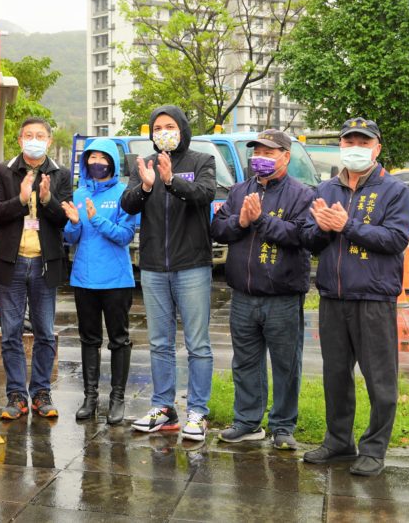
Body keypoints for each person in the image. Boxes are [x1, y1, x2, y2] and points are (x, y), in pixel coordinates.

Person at [301, 118, 409, 477]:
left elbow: (395, 240)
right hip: (333, 297)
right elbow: (309, 239)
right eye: (349, 141)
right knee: (335, 375)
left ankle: (374, 448)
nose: (355, 148)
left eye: (363, 142)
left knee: (380, 379)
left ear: (377, 148)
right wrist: (320, 228)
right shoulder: (326, 188)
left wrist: (346, 225)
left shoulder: (394, 190)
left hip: (374, 298)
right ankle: (338, 442)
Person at [210, 130, 315, 450]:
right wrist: (241, 221)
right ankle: (247, 421)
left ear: (286, 156)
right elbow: (218, 229)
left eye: (269, 153)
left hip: (282, 295)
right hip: (243, 294)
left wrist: (259, 221)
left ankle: (283, 426)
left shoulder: (302, 194)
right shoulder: (240, 190)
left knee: (286, 363)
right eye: (257, 151)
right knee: (245, 362)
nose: (261, 157)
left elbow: (299, 235)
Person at [122, 105, 216, 441]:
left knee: (197, 344)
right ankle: (164, 407)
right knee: (160, 342)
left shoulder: (201, 161)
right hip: (153, 267)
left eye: (170, 125)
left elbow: (205, 194)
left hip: (191, 264)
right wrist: (147, 187)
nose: (163, 131)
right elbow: (128, 203)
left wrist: (171, 181)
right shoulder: (143, 163)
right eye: (157, 127)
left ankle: (198, 412)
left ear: (183, 128)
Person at [0, 117, 71, 421]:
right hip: (12, 261)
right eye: (29, 135)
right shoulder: (3, 171)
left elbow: (64, 218)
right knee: (10, 332)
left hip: (44, 262)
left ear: (49, 141)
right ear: (19, 139)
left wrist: (49, 200)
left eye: (40, 135)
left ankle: (40, 392)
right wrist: (21, 200)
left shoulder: (60, 174)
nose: (34, 140)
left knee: (44, 332)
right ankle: (15, 394)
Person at [62, 138, 138, 425]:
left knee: (119, 340)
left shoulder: (125, 194)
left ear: (112, 162)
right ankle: (90, 397)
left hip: (116, 280)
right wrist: (73, 222)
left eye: (101, 157)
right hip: (84, 279)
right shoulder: (79, 194)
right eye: (91, 157)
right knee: (89, 339)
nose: (96, 162)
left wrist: (95, 220)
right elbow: (70, 239)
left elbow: (124, 236)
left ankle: (117, 399)